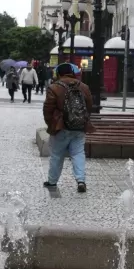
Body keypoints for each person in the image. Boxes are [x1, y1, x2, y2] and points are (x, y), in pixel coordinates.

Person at [43, 63, 94, 193]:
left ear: (58, 74)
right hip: (79, 127)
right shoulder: (84, 87)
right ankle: (81, 180)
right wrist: (81, 118)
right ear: (72, 72)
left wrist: (51, 124)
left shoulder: (54, 87)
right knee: (78, 153)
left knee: (57, 155)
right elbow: (89, 106)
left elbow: (48, 108)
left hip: (61, 126)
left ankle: (52, 181)